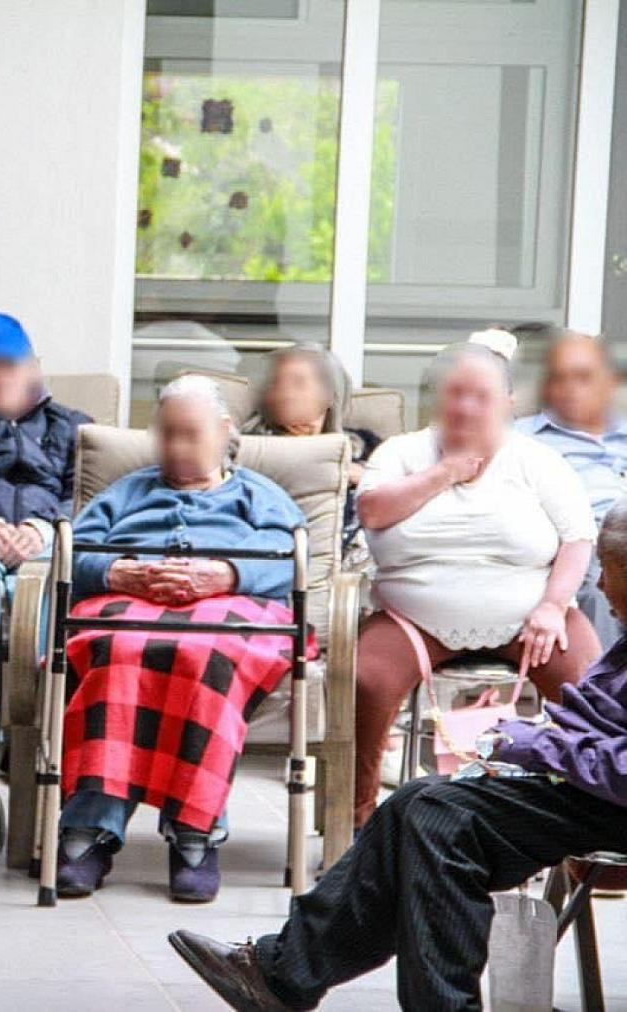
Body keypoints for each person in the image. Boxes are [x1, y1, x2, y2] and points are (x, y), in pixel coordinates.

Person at [170, 494, 627, 1011]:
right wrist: (538, 742)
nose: (601, 586)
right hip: (594, 787)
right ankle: (283, 974)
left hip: (612, 801)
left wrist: (544, 747)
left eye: (609, 569)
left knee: (439, 820)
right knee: (416, 802)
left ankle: (299, 978)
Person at [54, 375, 305, 903]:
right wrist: (120, 572)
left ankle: (195, 830)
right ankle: (89, 827)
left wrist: (227, 574)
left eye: (190, 434)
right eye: (166, 433)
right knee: (121, 648)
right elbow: (73, 550)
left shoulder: (259, 495)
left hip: (229, 607)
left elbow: (291, 558)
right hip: (130, 601)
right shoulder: (128, 491)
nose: (176, 446)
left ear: (224, 431)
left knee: (203, 653)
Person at [352, 336, 601, 826]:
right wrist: (445, 472)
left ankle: (589, 825)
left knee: (592, 690)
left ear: (508, 402)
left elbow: (578, 539)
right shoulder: (403, 452)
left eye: (481, 396)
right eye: (455, 393)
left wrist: (553, 605)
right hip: (411, 619)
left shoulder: (537, 460)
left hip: (530, 619)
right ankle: (358, 818)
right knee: (364, 680)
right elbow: (372, 510)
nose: (466, 406)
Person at [0, 311, 91, 587]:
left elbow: (85, 495)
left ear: (33, 368)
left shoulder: (72, 425)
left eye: (9, 365)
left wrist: (43, 528)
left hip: (50, 536)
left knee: (50, 574)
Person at [515, 328, 627, 647]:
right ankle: (607, 677)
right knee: (601, 575)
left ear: (610, 382)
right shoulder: (520, 438)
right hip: (586, 536)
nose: (569, 389)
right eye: (558, 378)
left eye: (582, 377)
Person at [245, 343, 379, 548]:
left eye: (298, 383)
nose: (285, 393)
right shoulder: (248, 446)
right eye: (277, 383)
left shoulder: (364, 446)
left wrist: (366, 478)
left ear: (329, 394)